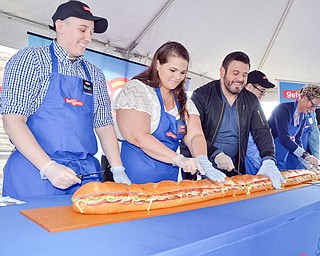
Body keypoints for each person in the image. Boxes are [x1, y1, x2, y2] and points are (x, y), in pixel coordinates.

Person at [0, 0, 130, 199]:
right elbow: (13, 120)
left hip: (84, 176)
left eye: (91, 32)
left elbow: (104, 125)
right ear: (60, 26)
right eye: (82, 29)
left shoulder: (94, 74)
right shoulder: (30, 60)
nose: (88, 38)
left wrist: (118, 168)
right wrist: (48, 167)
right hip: (36, 173)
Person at [113, 41, 226, 184]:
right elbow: (139, 136)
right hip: (134, 179)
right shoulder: (137, 90)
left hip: (168, 182)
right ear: (158, 65)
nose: (178, 77)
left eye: (182, 72)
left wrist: (203, 160)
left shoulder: (183, 100)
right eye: (172, 70)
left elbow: (195, 135)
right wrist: (179, 160)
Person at [180, 51, 286, 189]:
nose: (240, 79)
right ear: (222, 72)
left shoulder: (251, 100)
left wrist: (268, 159)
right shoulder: (202, 95)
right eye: (235, 73)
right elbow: (192, 133)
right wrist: (216, 154)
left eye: (244, 74)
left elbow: (262, 131)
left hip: (233, 169)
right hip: (201, 166)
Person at [268, 83, 320, 170]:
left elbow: (298, 140)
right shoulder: (283, 109)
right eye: (313, 105)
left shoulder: (303, 117)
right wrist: (305, 155)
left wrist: (306, 160)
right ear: (304, 97)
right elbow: (284, 138)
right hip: (272, 153)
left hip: (285, 154)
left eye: (316, 107)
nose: (313, 109)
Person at [244, 70, 276, 174]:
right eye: (261, 91)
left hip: (255, 161)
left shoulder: (255, 108)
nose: (262, 95)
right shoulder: (242, 108)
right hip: (246, 163)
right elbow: (250, 144)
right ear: (249, 87)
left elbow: (264, 133)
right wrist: (262, 165)